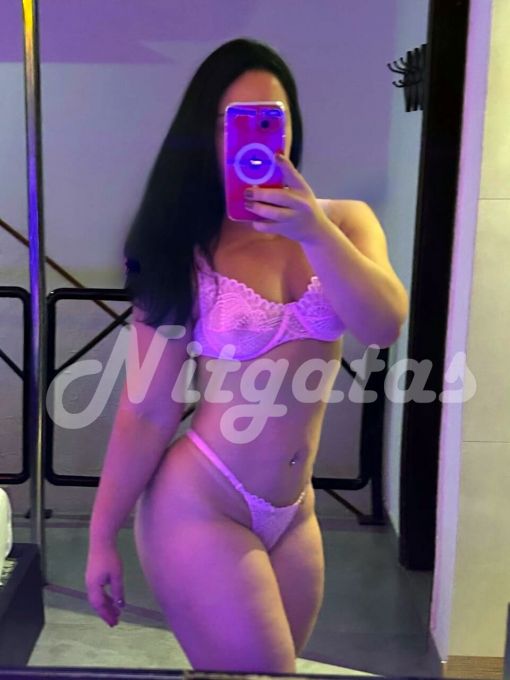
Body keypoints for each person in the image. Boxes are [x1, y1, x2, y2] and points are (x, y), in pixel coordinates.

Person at [85, 37, 409, 673]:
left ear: (290, 127)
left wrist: (313, 231)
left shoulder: (345, 224)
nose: (256, 140)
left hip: (296, 511)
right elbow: (148, 409)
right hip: (201, 502)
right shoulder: (183, 247)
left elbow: (384, 325)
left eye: (271, 119)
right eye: (232, 123)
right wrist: (101, 537)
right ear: (206, 135)